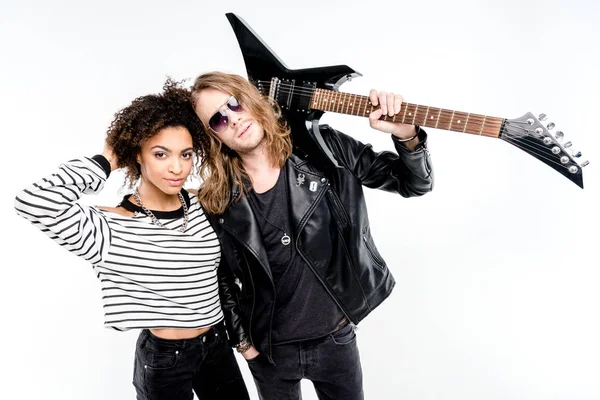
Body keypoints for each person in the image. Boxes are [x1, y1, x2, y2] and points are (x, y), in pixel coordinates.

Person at [190, 71, 434, 400]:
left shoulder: (325, 149)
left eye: (234, 104)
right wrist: (244, 345)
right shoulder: (215, 200)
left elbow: (413, 183)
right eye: (218, 119)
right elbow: (218, 279)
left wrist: (407, 135)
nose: (233, 119)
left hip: (336, 339)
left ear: (251, 99)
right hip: (270, 352)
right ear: (213, 137)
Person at [14, 80, 250, 400]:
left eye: (185, 154)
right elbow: (35, 201)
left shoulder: (200, 205)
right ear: (137, 154)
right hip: (167, 359)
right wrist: (107, 160)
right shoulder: (110, 228)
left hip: (217, 346)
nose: (177, 167)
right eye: (160, 153)